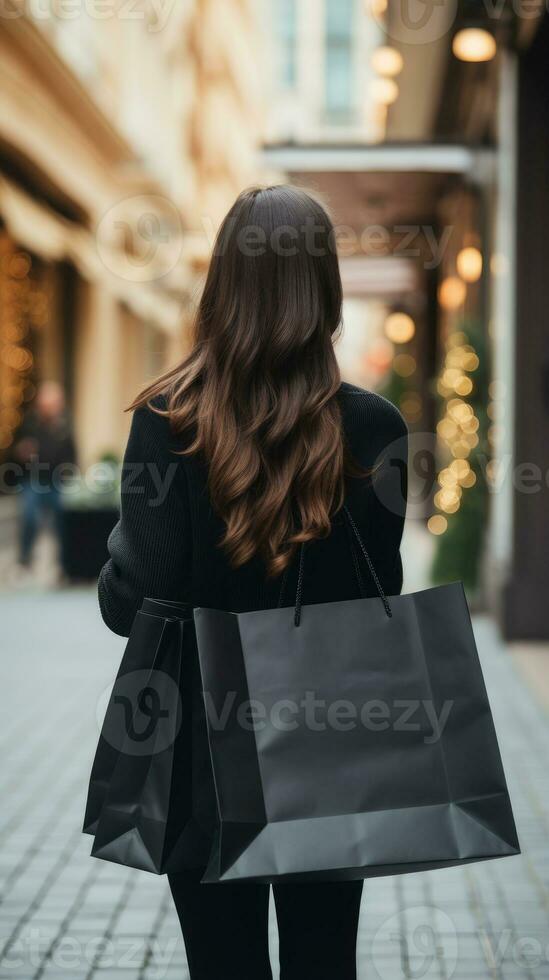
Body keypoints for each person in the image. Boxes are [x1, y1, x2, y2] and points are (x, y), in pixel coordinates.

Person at [97, 185, 408, 980]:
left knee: (222, 964)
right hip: (331, 730)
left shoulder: (167, 419)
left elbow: (134, 603)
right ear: (324, 287)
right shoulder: (374, 426)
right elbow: (380, 598)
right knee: (322, 960)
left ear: (222, 283)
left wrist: (120, 549)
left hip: (197, 739)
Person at [14, 380, 76, 575]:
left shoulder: (65, 425)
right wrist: (21, 452)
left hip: (57, 481)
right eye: (45, 404)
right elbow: (15, 451)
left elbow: (73, 454)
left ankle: (64, 565)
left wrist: (70, 473)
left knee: (63, 520)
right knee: (30, 516)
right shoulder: (29, 423)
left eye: (53, 404)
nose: (49, 408)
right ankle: (24, 562)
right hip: (32, 479)